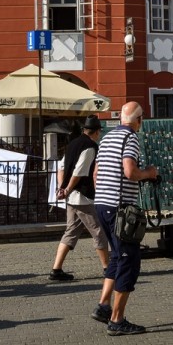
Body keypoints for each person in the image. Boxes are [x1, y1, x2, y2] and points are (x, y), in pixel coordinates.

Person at [93, 101, 159, 336]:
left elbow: (96, 173)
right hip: (120, 208)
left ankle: (103, 306)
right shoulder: (130, 138)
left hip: (102, 204)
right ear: (138, 120)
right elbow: (130, 171)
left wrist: (104, 193)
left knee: (116, 256)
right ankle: (117, 320)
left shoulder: (107, 138)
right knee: (128, 260)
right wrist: (149, 174)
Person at [49, 115, 109, 282]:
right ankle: (108, 268)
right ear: (96, 132)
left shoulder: (72, 144)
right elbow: (80, 171)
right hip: (83, 197)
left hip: (72, 198)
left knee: (71, 232)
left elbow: (60, 167)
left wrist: (62, 188)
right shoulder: (89, 146)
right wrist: (67, 189)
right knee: (98, 231)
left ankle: (56, 269)